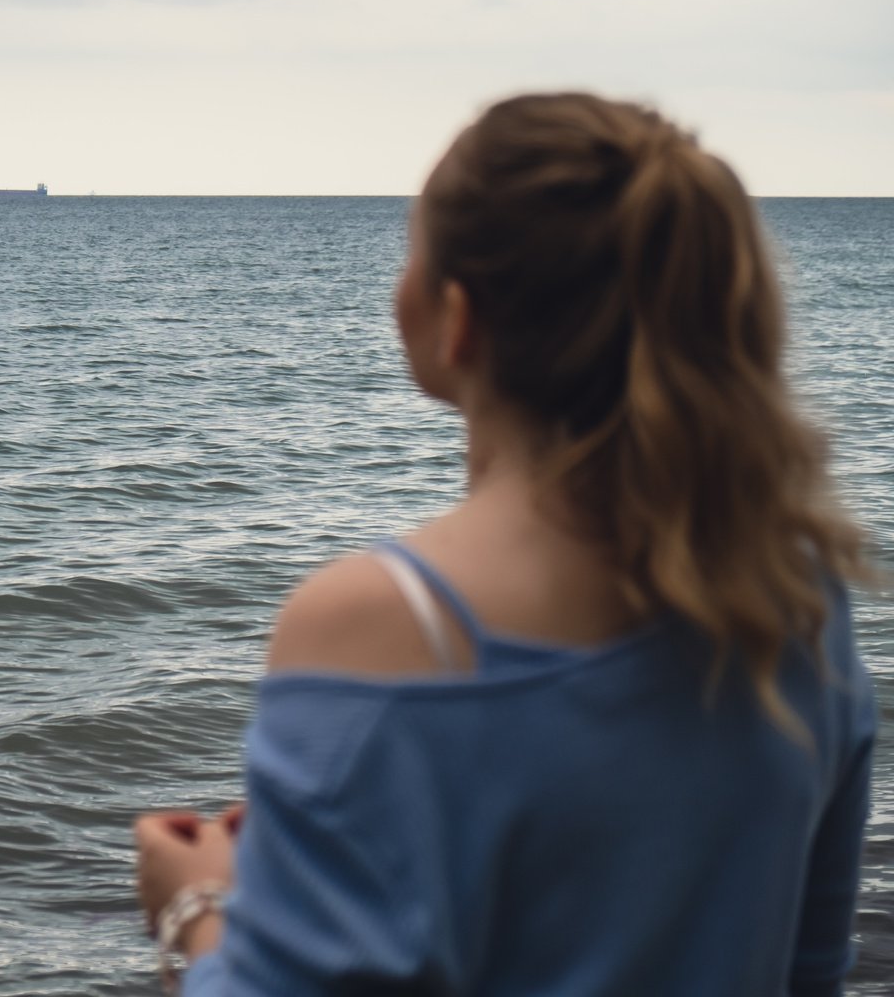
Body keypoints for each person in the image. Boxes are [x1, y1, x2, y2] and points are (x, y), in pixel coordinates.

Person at [134, 92, 877, 995]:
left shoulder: (383, 622)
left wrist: (197, 913)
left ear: (458, 317)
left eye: (410, 251)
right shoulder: (797, 599)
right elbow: (808, 975)